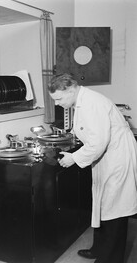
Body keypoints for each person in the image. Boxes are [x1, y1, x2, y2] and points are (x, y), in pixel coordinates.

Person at [48, 73, 137, 263]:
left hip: (117, 157)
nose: (57, 103)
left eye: (59, 98)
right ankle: (99, 249)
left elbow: (98, 143)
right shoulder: (81, 100)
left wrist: (74, 158)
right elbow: (86, 129)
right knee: (103, 204)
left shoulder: (90, 103)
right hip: (108, 156)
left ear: (70, 90)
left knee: (115, 209)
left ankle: (110, 258)